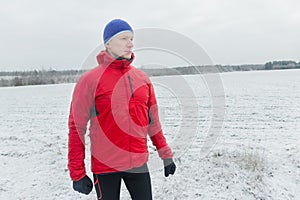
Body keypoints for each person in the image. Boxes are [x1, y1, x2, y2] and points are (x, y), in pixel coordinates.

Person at [68, 18, 176, 200]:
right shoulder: (89, 81)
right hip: (105, 168)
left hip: (138, 164)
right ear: (108, 43)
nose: (130, 44)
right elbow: (76, 127)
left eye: (132, 38)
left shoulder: (142, 79)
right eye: (124, 38)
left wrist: (165, 154)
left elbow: (153, 123)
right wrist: (77, 173)